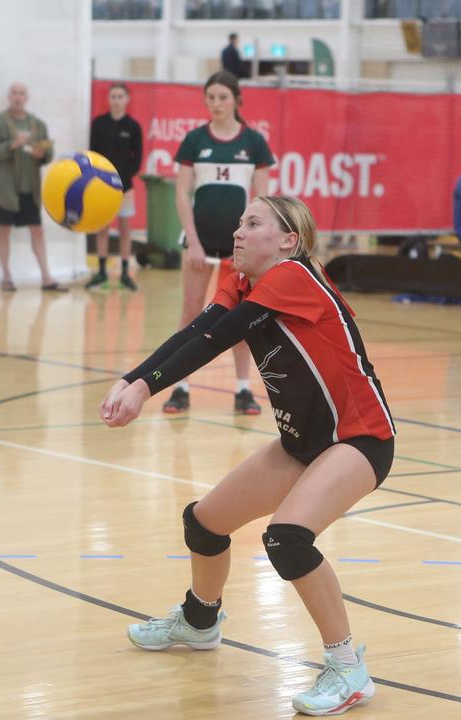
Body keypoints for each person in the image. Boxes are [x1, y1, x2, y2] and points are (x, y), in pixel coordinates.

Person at [101, 195, 395, 717]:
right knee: (205, 524)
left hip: (360, 438)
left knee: (287, 538)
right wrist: (133, 378)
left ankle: (347, 666)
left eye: (253, 223)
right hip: (302, 442)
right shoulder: (241, 280)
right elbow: (196, 330)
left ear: (288, 240)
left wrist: (146, 389)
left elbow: (217, 339)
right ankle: (199, 620)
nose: (238, 233)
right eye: (239, 223)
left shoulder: (294, 276)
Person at [166, 71, 274, 415]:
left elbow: (263, 200)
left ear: (236, 100)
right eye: (210, 97)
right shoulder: (195, 141)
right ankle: (180, 386)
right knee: (190, 312)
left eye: (223, 97)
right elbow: (182, 193)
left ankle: (243, 390)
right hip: (200, 243)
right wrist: (194, 243)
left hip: (239, 247)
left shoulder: (254, 143)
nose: (216, 104)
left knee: (239, 317)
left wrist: (253, 245)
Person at [0, 82, 63, 292]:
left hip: (30, 187)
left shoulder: (38, 124)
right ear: (9, 96)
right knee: (4, 230)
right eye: (14, 93)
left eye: (22, 93)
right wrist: (13, 144)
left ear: (27, 97)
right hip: (6, 188)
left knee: (37, 230)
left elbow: (48, 153)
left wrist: (42, 154)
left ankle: (46, 277)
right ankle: (6, 275)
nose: (18, 97)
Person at [87, 83, 144, 291]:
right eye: (113, 96)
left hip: (125, 187)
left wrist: (120, 180)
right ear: (108, 99)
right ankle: (101, 271)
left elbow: (136, 160)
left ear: (127, 99)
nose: (116, 100)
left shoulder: (133, 127)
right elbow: (93, 155)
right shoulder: (99, 124)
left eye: (120, 96)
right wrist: (102, 180)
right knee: (102, 227)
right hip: (101, 187)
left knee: (124, 229)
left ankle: (125, 272)